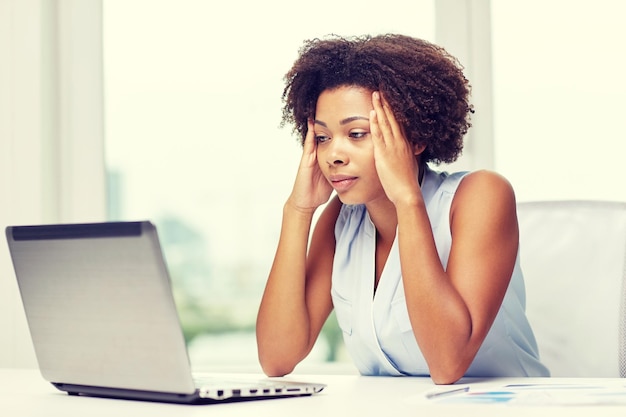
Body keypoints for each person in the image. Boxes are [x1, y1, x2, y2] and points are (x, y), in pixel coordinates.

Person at [256, 33, 549, 384]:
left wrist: (407, 200)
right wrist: (298, 211)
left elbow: (446, 363)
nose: (333, 154)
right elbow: (277, 357)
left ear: (416, 138)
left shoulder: (480, 196)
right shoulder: (341, 219)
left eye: (357, 134)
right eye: (322, 137)